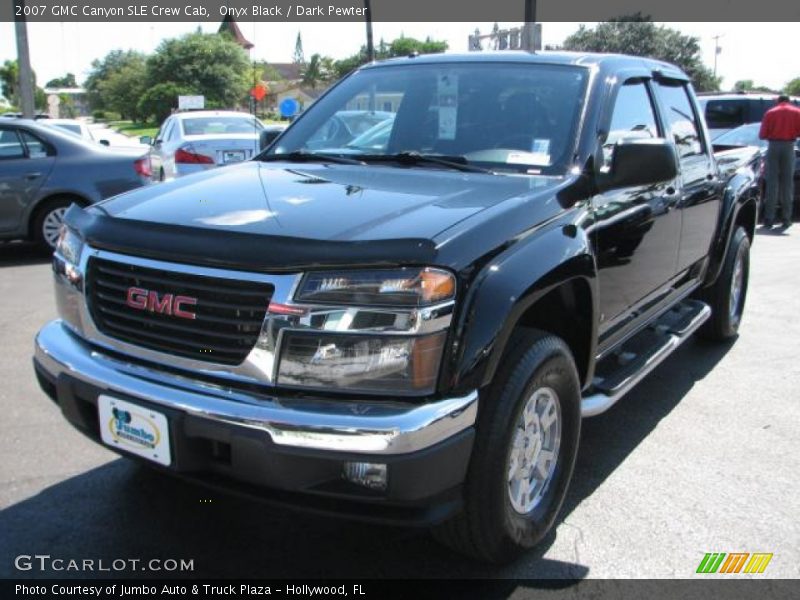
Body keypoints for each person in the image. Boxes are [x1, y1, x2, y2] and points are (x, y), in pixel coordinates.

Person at [759, 95, 800, 228]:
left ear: (778, 101)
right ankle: (786, 218)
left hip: (773, 146)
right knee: (787, 184)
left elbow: (762, 135)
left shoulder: (770, 113)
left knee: (772, 183)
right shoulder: (797, 112)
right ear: (789, 101)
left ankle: (769, 218)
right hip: (789, 146)